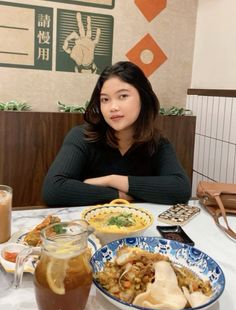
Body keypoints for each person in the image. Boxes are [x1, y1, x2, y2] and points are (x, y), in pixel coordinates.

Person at [42, 61, 191, 207]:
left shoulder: (157, 143)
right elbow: (53, 190)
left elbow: (181, 189)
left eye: (123, 96)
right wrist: (120, 196)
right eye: (105, 99)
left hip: (139, 225)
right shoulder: (81, 136)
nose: (113, 107)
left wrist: (111, 180)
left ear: (143, 98)